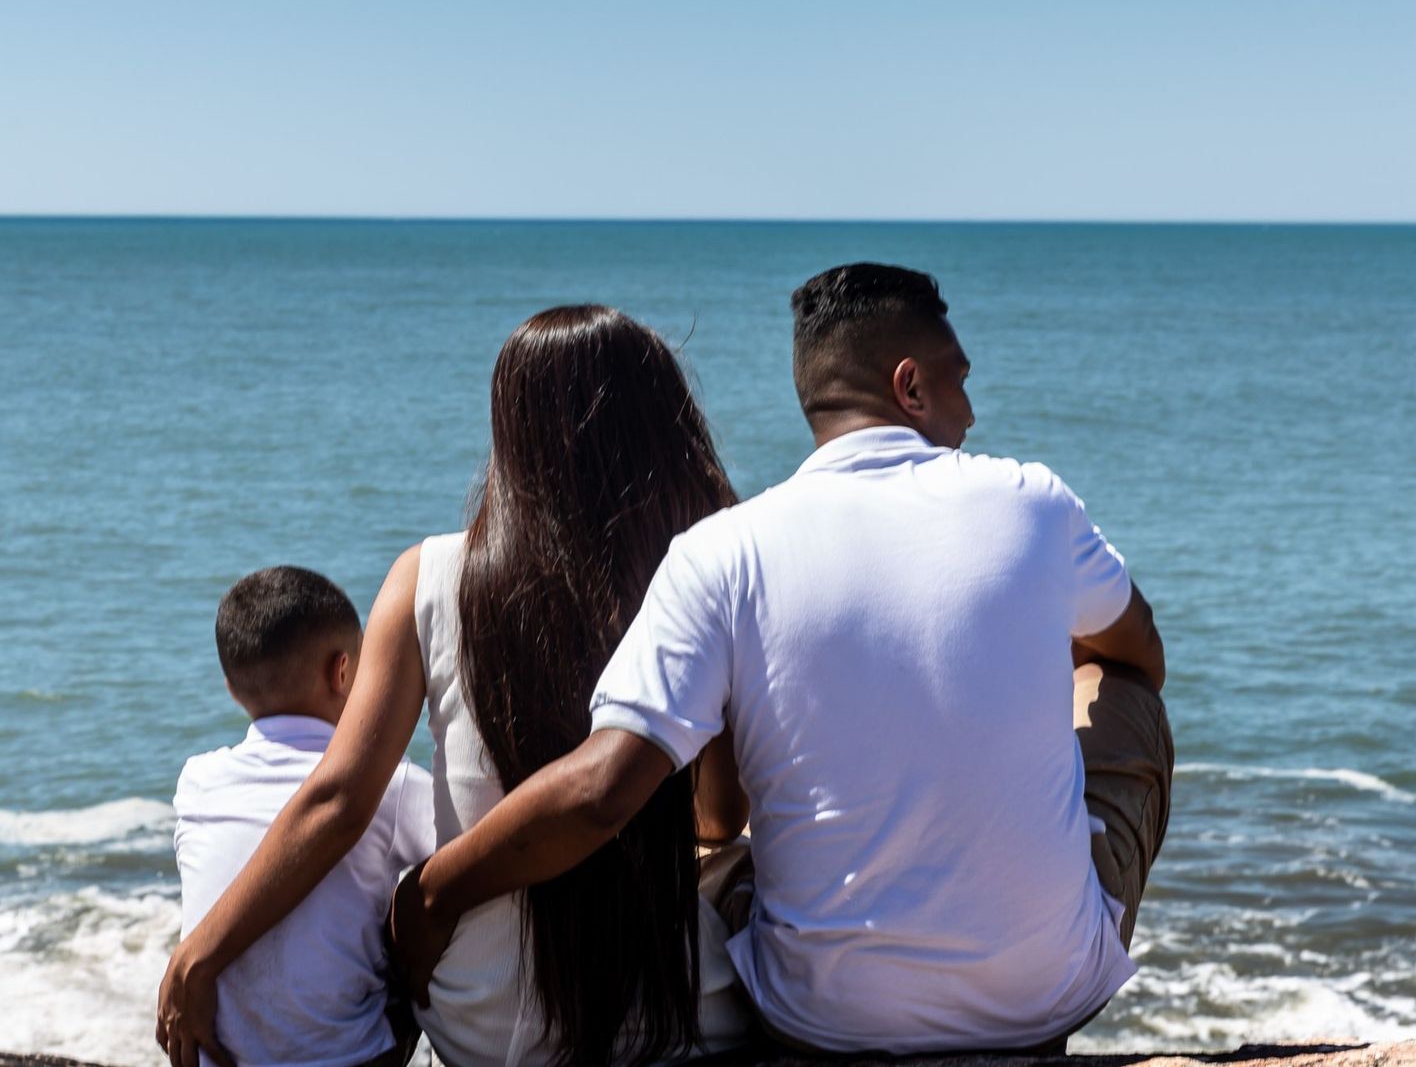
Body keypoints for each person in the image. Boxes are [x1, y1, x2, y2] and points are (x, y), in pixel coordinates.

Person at [392, 263, 1175, 1055]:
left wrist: (433, 893)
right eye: (958, 381)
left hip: (822, 1021)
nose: (970, 412)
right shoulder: (1033, 499)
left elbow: (602, 791)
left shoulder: (723, 551)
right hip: (1043, 995)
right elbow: (1139, 650)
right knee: (1125, 691)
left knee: (715, 851)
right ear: (909, 386)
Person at [157, 306, 751, 1067]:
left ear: (512, 433)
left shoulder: (427, 575)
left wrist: (200, 954)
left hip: (482, 1020)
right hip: (679, 1014)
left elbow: (337, 802)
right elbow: (720, 811)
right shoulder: (701, 572)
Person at [172, 566, 434, 1067]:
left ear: (231, 687)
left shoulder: (197, 781)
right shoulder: (395, 785)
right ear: (344, 673)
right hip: (348, 1059)